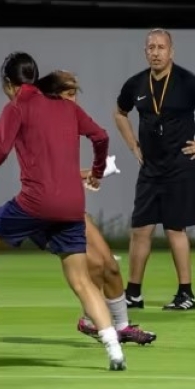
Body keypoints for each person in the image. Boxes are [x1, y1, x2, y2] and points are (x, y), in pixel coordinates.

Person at [0, 52, 128, 371]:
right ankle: (114, 348)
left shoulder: (16, 107)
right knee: (81, 281)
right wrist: (98, 171)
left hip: (35, 203)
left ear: (8, 83)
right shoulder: (66, 106)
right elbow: (100, 136)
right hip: (73, 206)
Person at [33, 69, 157, 346]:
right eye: (68, 94)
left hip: (72, 209)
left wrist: (95, 171)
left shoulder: (69, 120)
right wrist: (94, 172)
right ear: (53, 97)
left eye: (75, 93)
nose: (74, 100)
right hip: (49, 213)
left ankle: (123, 327)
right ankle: (91, 321)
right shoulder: (40, 127)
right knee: (94, 267)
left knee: (110, 266)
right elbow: (44, 174)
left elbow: (95, 142)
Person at [113, 28, 195, 311]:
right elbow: (119, 112)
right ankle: (133, 294)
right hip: (150, 167)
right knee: (140, 230)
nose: (155, 52)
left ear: (172, 51)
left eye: (161, 47)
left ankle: (186, 294)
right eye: (151, 47)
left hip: (181, 165)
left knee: (174, 229)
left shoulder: (187, 81)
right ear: (145, 51)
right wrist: (133, 144)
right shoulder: (136, 84)